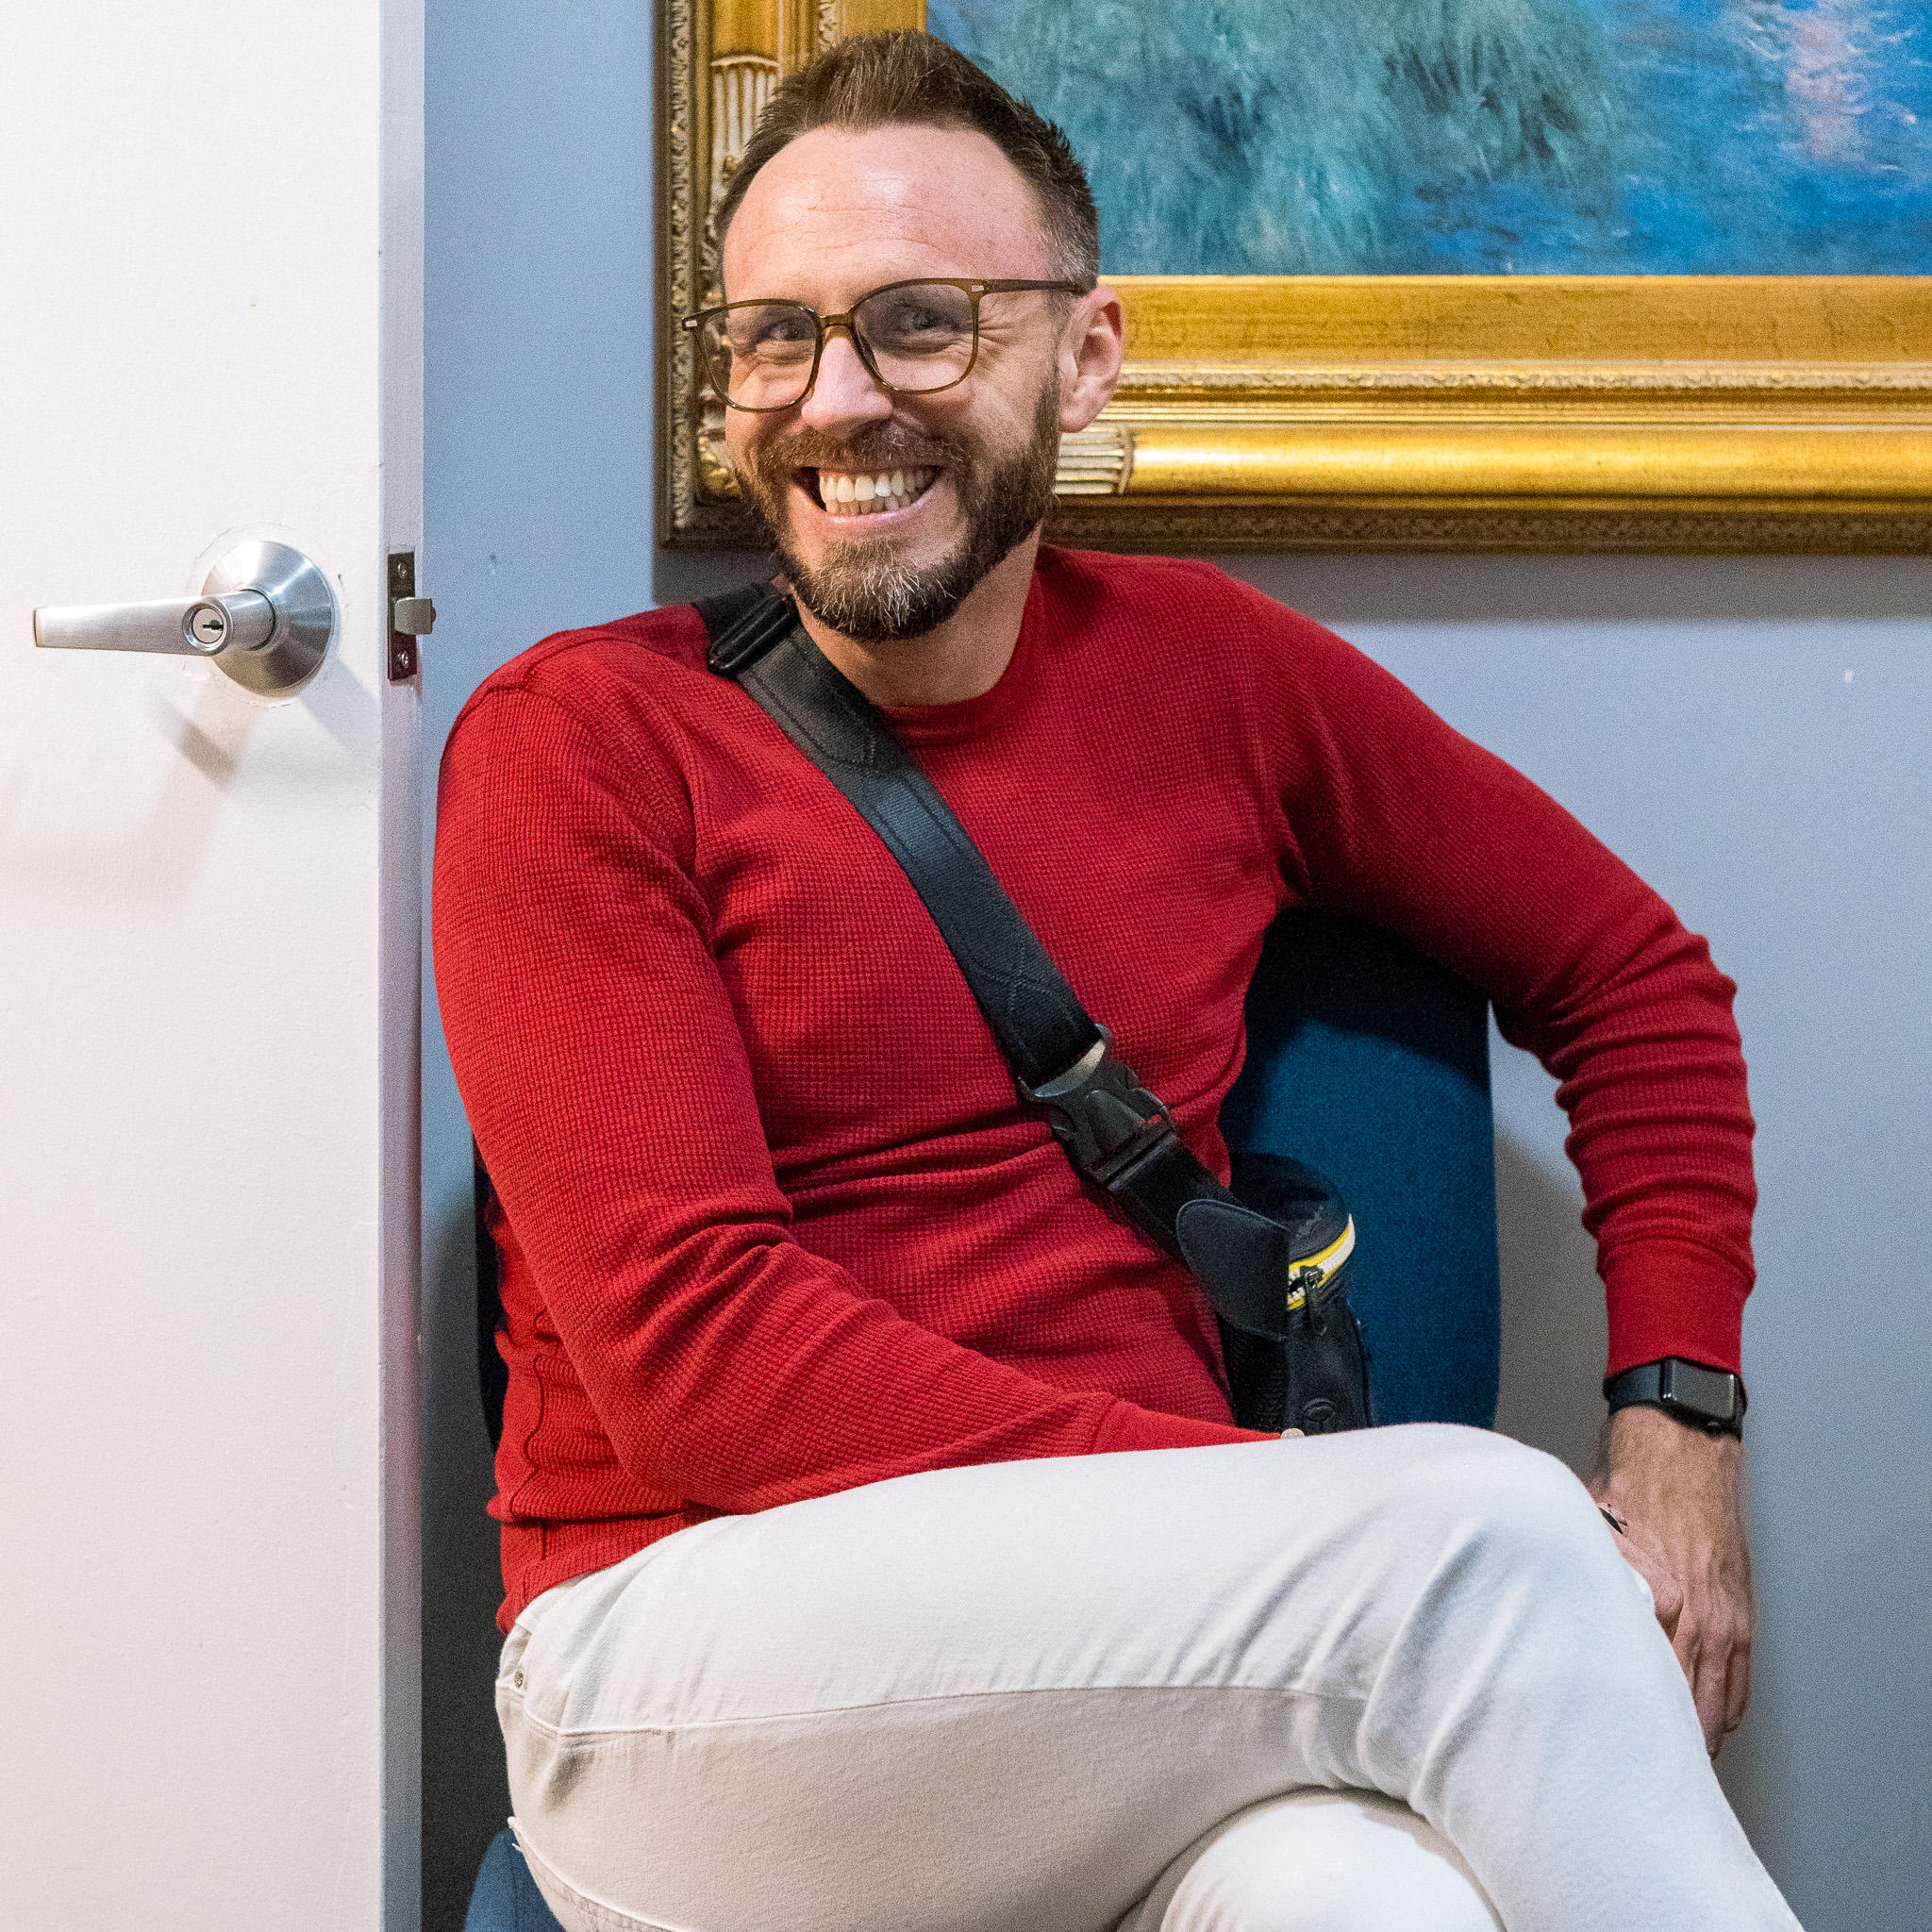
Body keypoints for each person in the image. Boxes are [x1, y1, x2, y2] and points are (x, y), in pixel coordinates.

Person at [433, 30, 1797, 1932]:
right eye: (775, 336)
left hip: (1148, 1673)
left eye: (921, 324)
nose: (837, 400)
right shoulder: (579, 743)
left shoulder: (1212, 676)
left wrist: (1678, 1420)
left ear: (1084, 357)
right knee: (1478, 1542)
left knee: (1368, 1902)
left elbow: (1632, 978)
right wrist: (1275, 1520)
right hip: (686, 1669)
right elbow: (698, 1358)